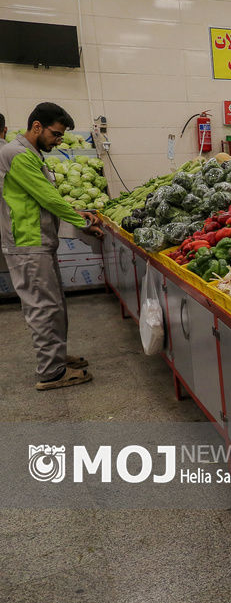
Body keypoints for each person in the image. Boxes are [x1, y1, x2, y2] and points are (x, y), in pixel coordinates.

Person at [0, 102, 103, 390]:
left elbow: (46, 198)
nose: (58, 142)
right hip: (27, 244)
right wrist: (81, 220)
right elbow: (48, 198)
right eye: (56, 135)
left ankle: (56, 358)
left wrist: (77, 216)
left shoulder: (29, 154)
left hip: (39, 242)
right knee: (43, 307)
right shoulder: (17, 155)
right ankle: (51, 372)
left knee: (54, 304)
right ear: (36, 127)